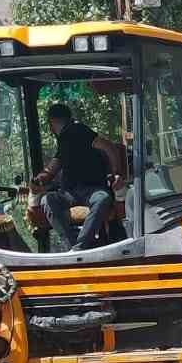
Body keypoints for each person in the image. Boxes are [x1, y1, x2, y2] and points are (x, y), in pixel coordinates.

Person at [34, 102, 125, 251]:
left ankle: (79, 247)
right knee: (47, 200)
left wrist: (117, 174)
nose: (50, 130)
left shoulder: (78, 130)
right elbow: (53, 167)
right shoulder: (63, 141)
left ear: (52, 122)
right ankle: (74, 248)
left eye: (50, 125)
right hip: (69, 194)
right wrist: (40, 179)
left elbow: (108, 146)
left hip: (92, 190)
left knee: (102, 199)